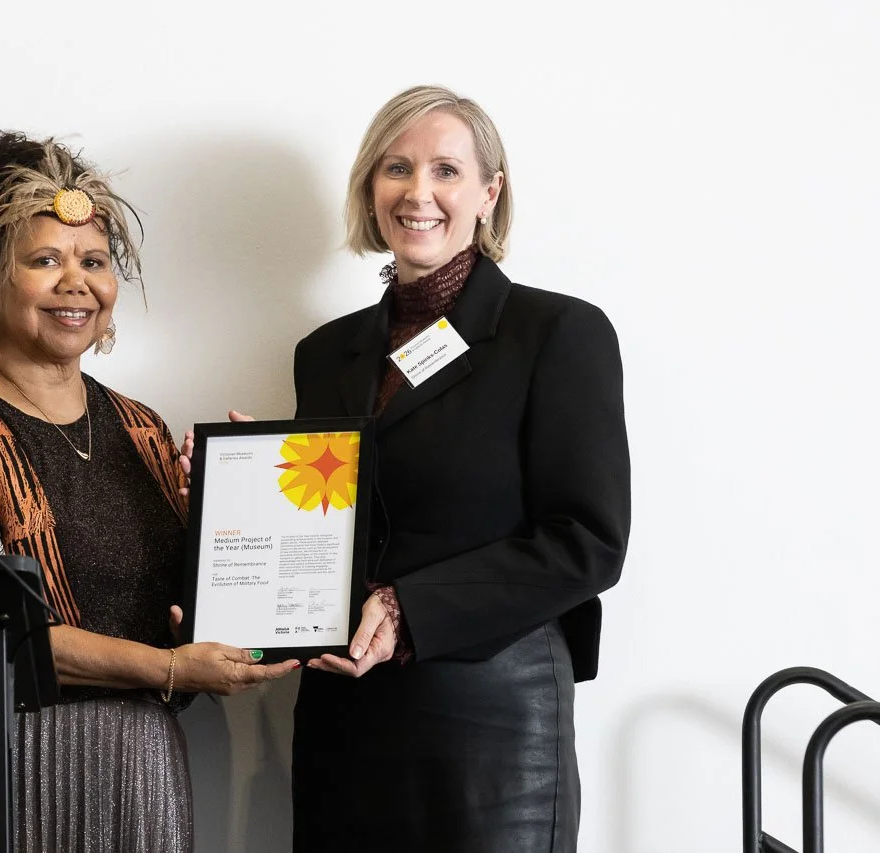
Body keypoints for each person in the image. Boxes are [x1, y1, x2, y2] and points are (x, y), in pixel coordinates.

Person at [0, 131, 297, 853]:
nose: (75, 282)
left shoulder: (141, 428)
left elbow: (189, 601)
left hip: (146, 764)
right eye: (45, 260)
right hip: (8, 760)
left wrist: (238, 511)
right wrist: (168, 668)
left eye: (93, 261)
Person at [285, 85, 631, 851]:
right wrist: (245, 494)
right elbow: (326, 530)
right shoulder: (325, 354)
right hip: (344, 720)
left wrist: (407, 607)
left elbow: (586, 540)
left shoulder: (556, 333)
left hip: (492, 724)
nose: (418, 192)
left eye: (445, 170)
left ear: (488, 193)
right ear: (369, 189)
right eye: (396, 168)